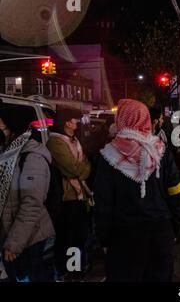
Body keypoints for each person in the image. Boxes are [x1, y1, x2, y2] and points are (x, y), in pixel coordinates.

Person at [94, 99, 180, 282]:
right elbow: (176, 193)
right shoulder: (160, 150)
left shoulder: (107, 156)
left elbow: (103, 205)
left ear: (121, 119)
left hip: (123, 239)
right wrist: (174, 228)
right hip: (160, 233)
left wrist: (104, 239)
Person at [0, 107, 55, 282]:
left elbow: (31, 204)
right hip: (11, 235)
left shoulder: (31, 156)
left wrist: (14, 244)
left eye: (2, 125)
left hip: (29, 241)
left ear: (14, 126)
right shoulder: (8, 153)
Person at [46, 106, 92, 280]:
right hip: (66, 199)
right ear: (67, 122)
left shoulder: (74, 141)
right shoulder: (56, 142)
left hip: (80, 196)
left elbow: (83, 166)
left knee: (79, 238)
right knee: (67, 238)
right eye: (76, 120)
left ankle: (76, 270)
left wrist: (83, 168)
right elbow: (73, 169)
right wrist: (84, 168)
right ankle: (65, 271)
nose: (78, 123)